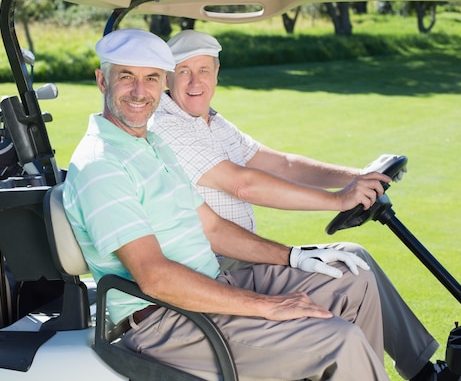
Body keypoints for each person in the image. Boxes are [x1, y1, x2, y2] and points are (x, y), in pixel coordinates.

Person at [63, 28, 391, 381]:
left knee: (351, 279)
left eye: (151, 78)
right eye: (126, 77)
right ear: (101, 80)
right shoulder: (102, 164)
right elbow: (155, 278)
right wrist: (268, 306)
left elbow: (214, 228)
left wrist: (293, 256)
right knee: (340, 340)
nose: (140, 91)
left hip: (211, 287)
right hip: (163, 322)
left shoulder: (153, 145)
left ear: (162, 84)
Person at [148, 29, 461, 381]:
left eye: (203, 70)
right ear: (168, 77)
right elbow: (243, 183)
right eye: (184, 71)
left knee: (354, 262)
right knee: (351, 276)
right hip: (219, 267)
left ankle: (419, 370)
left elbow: (282, 163)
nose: (195, 81)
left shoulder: (212, 122)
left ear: (217, 73)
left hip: (244, 258)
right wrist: (339, 199)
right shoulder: (168, 126)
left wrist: (359, 176)